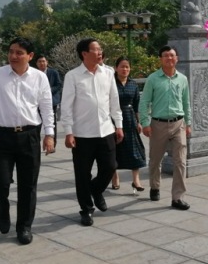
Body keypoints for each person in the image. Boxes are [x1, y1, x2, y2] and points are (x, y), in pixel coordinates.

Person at [0, 37, 55, 246]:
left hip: (29, 136)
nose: (13, 56)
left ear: (30, 56)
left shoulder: (39, 77)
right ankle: (3, 209)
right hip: (1, 136)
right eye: (11, 51)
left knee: (28, 185)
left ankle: (24, 226)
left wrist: (49, 134)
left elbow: (46, 107)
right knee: (0, 182)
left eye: (19, 52)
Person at [61, 38, 123, 227]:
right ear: (84, 54)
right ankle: (86, 209)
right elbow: (66, 106)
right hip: (82, 134)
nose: (100, 52)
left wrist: (119, 125)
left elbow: (114, 101)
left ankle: (96, 190)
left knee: (110, 166)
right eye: (96, 49)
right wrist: (68, 132)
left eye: (100, 49)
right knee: (82, 174)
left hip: (106, 130)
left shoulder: (108, 73)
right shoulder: (72, 76)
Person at [138, 45, 192, 210]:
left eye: (172, 55)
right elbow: (144, 102)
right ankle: (155, 186)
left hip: (178, 123)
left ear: (177, 58)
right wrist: (145, 123)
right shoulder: (153, 79)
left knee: (180, 161)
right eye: (166, 56)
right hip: (158, 124)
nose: (169, 58)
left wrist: (188, 123)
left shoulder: (182, 79)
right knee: (155, 159)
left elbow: (186, 102)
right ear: (160, 59)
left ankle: (178, 197)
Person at [110, 57, 147, 192]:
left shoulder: (133, 84)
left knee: (134, 150)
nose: (125, 69)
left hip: (130, 119)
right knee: (114, 149)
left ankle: (136, 180)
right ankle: (115, 177)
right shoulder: (111, 83)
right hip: (113, 119)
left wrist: (139, 122)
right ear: (116, 68)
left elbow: (137, 104)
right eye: (122, 66)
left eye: (127, 67)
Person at [35, 54, 62, 140]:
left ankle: (52, 142)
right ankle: (36, 141)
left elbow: (59, 85)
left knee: (52, 122)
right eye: (39, 61)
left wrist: (49, 90)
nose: (42, 63)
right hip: (37, 102)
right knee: (36, 123)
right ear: (36, 63)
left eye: (43, 61)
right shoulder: (34, 74)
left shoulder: (53, 72)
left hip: (51, 101)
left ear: (47, 62)